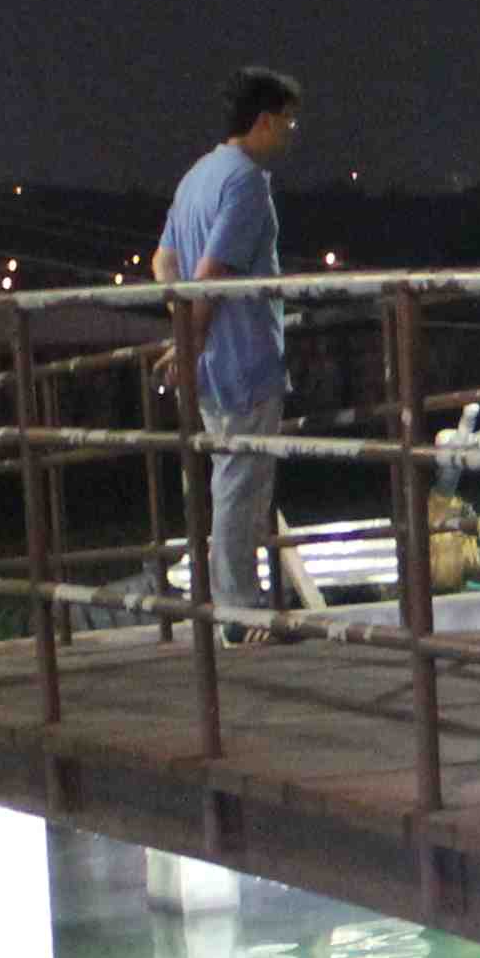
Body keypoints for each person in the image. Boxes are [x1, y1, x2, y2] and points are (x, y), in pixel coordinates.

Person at [156, 68, 306, 636]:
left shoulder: (196, 177)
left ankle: (239, 602)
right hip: (245, 359)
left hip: (211, 365)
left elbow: (165, 262)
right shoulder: (246, 182)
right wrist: (189, 338)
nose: (291, 133)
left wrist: (182, 331)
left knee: (231, 478)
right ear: (264, 121)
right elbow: (212, 272)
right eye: (288, 121)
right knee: (241, 485)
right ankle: (239, 610)